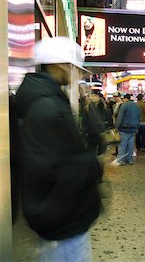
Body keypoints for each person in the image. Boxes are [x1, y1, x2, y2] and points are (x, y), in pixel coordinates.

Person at [15, 37, 103, 262]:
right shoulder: (47, 106)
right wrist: (94, 164)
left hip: (59, 213)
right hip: (61, 218)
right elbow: (49, 166)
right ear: (59, 64)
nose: (74, 72)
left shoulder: (48, 100)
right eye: (72, 66)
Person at [115, 93, 140, 165]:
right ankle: (130, 159)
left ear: (125, 99)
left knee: (122, 144)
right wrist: (137, 127)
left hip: (124, 128)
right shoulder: (136, 106)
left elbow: (120, 117)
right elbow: (138, 117)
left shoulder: (124, 105)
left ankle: (121, 160)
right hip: (133, 128)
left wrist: (117, 126)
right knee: (131, 144)